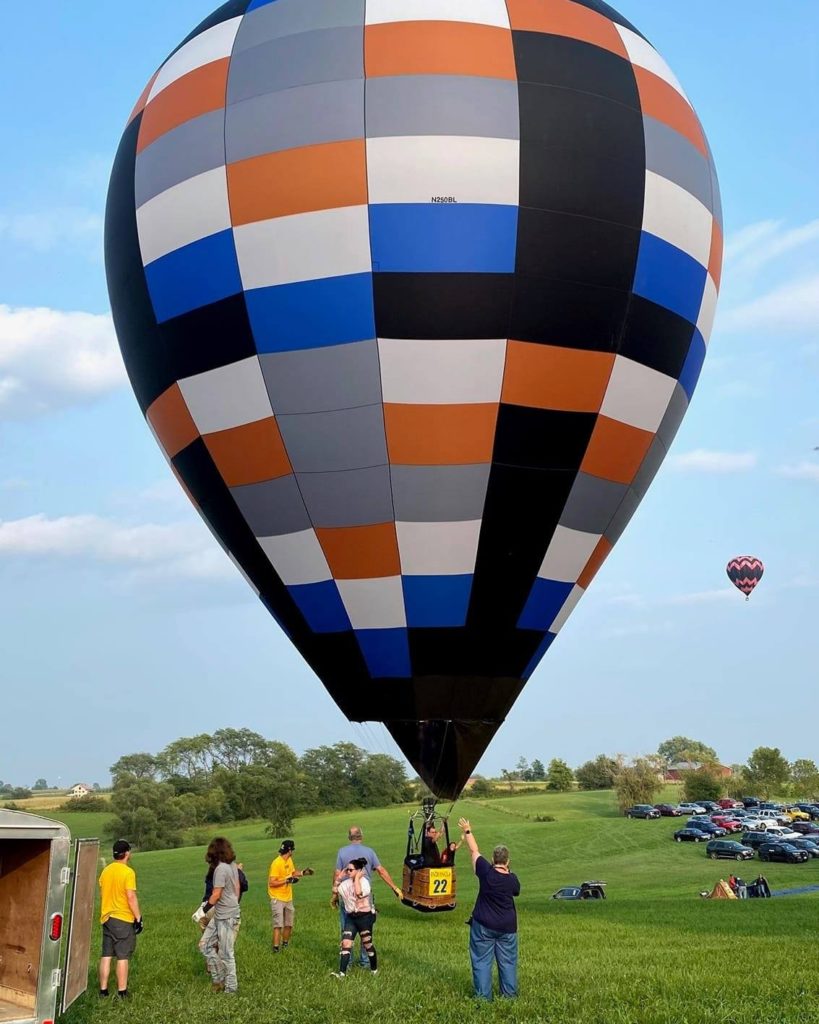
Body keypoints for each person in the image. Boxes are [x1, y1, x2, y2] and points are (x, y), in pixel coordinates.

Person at [459, 817, 520, 1001]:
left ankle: (483, 998)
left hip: (483, 925)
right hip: (508, 928)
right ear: (507, 861)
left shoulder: (486, 872)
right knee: (508, 963)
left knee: (481, 962)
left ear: (493, 859)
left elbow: (474, 851)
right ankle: (509, 997)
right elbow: (516, 891)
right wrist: (508, 871)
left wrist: (468, 830)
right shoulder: (512, 880)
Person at [331, 826, 401, 969]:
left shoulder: (342, 852)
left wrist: (334, 895)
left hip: (347, 897)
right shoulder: (369, 852)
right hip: (364, 896)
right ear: (361, 837)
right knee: (366, 930)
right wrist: (394, 887)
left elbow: (338, 874)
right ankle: (365, 961)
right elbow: (381, 871)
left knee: (346, 929)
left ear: (349, 838)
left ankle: (347, 962)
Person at [98, 839, 142, 999]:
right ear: (127, 853)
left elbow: (102, 894)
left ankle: (103, 991)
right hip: (122, 918)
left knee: (106, 955)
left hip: (107, 917)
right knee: (123, 956)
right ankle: (122, 991)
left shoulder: (106, 871)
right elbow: (131, 897)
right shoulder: (128, 872)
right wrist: (138, 918)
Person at [199, 837, 241, 994]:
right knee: (205, 945)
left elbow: (216, 894)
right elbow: (237, 890)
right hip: (222, 914)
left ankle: (231, 989)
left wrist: (202, 910)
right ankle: (218, 978)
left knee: (226, 954)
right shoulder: (233, 866)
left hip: (226, 917)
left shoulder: (221, 869)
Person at [331, 858, 379, 979]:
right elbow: (335, 890)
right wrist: (339, 877)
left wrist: (357, 878)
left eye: (351, 870)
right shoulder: (345, 883)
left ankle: (374, 970)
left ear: (359, 871)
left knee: (367, 944)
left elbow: (359, 893)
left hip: (365, 918)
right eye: (347, 870)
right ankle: (342, 973)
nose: (348, 872)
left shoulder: (364, 882)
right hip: (351, 917)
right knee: (346, 944)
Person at [268, 839, 313, 952]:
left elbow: (292, 873)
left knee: (289, 923)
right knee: (278, 925)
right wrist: (287, 881)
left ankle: (285, 945)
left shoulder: (289, 860)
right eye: (292, 850)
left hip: (288, 898)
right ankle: (276, 948)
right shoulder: (276, 863)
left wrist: (303, 873)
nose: (292, 852)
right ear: (289, 850)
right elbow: (272, 882)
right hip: (277, 898)